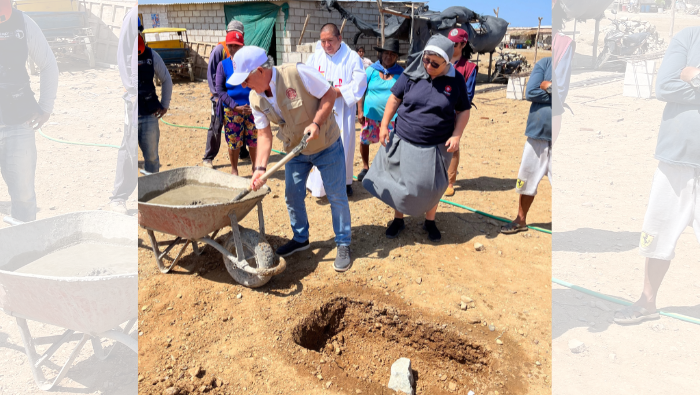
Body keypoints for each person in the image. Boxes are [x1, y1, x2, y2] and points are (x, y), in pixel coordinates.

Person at [228, 46, 353, 272]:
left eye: (246, 79)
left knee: (336, 196)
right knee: (292, 196)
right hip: (295, 150)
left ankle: (343, 242)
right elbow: (264, 135)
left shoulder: (297, 73)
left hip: (326, 144)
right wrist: (259, 168)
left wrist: (315, 123)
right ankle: (301, 238)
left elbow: (330, 94)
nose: (244, 85)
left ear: (259, 70)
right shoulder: (255, 98)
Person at [613, 26, 700, 325]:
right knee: (659, 230)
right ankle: (647, 302)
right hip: (675, 156)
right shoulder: (687, 37)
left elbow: (676, 84)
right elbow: (663, 86)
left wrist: (692, 75)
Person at [362, 35, 471, 242]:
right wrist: (384, 125)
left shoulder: (455, 79)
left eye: (435, 64)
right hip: (405, 137)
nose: (428, 66)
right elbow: (395, 98)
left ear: (447, 62)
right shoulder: (412, 72)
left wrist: (457, 135)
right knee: (398, 180)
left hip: (436, 144)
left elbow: (464, 110)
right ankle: (398, 219)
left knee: (434, 185)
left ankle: (430, 221)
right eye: (426, 60)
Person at [0, 0, 58, 221]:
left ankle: (25, 248)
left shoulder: (24, 23)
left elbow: (48, 64)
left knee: (23, 196)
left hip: (19, 123)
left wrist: (45, 107)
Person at [304, 23, 367, 197]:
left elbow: (360, 82)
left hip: (342, 110)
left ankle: (344, 182)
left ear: (339, 38)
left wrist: (336, 93)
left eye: (330, 41)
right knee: (319, 145)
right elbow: (305, 77)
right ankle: (318, 185)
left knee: (343, 145)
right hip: (320, 109)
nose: (326, 45)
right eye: (323, 41)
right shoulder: (316, 56)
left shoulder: (352, 57)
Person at [500, 57, 552, 234]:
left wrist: (549, 87)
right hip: (537, 134)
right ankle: (520, 220)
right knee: (527, 177)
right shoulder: (545, 64)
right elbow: (530, 92)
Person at [356, 38, 404, 182]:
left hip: (392, 118)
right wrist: (360, 110)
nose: (388, 57)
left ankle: (387, 170)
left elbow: (404, 95)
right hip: (370, 114)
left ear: (396, 57)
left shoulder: (401, 73)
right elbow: (360, 90)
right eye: (386, 53)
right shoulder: (371, 70)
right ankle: (365, 167)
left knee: (391, 143)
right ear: (381, 54)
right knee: (365, 140)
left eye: (392, 54)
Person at [202, 19, 248, 168]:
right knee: (216, 126)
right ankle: (208, 157)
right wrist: (217, 97)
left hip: (238, 98)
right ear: (227, 34)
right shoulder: (220, 50)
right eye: (231, 33)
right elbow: (211, 74)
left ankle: (242, 151)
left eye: (238, 34)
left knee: (241, 125)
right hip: (220, 97)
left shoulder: (244, 50)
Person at [109, 6, 138, 214]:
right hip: (134, 95)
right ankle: (119, 198)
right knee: (130, 144)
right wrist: (131, 89)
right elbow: (123, 53)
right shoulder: (133, 15)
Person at [215, 29, 256, 175]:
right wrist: (235, 106)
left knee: (254, 140)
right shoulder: (223, 65)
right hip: (232, 111)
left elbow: (258, 84)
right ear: (227, 46)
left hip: (252, 109)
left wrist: (254, 105)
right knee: (234, 142)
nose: (234, 49)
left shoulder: (251, 64)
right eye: (231, 45)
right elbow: (220, 90)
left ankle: (255, 169)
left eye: (237, 45)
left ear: (242, 46)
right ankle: (234, 170)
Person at [445, 28, 478, 197]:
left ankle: (450, 181)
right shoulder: (440, 61)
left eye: (455, 44)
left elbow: (469, 93)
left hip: (455, 112)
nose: (451, 46)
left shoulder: (470, 67)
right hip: (437, 110)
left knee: (452, 145)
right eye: (449, 43)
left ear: (463, 44)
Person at [136, 19, 172, 175]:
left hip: (148, 115)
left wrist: (164, 105)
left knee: (151, 159)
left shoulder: (151, 55)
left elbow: (166, 79)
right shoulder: (119, 55)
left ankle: (151, 194)